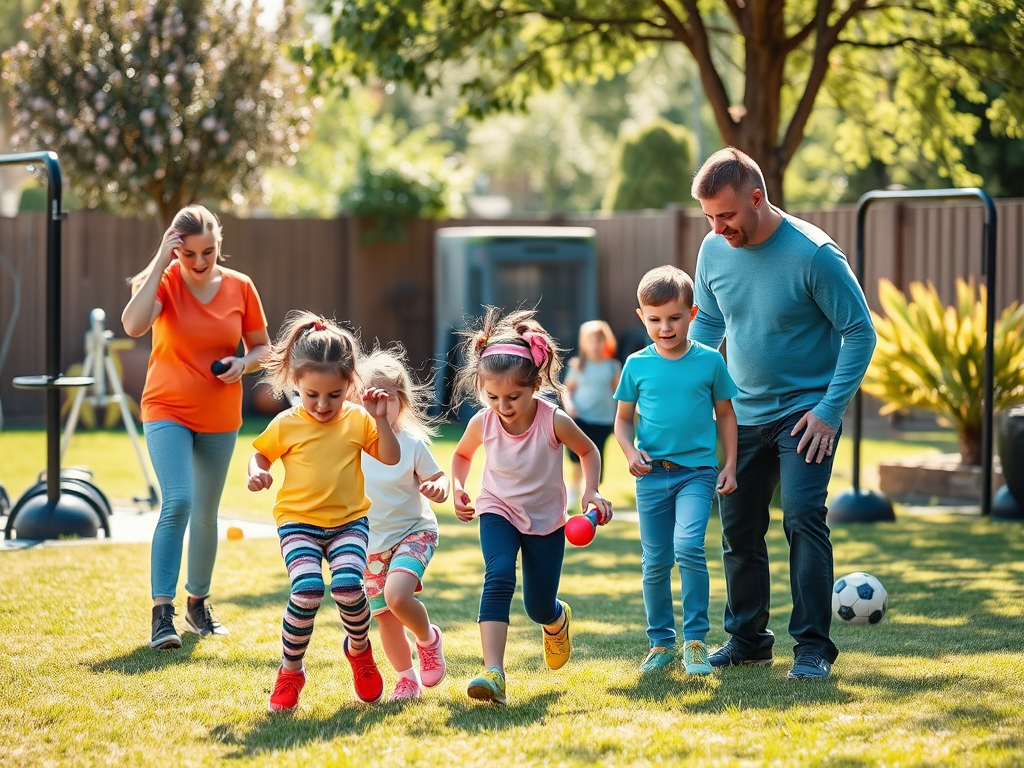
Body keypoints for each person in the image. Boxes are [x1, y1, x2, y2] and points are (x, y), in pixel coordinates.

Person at [688, 147, 876, 680]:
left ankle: (813, 647)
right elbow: (707, 329)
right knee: (738, 530)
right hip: (742, 414)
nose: (718, 227)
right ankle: (748, 640)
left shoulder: (814, 255)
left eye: (726, 215)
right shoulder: (712, 250)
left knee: (801, 517)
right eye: (709, 217)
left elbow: (861, 332)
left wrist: (829, 411)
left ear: (756, 198)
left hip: (804, 416)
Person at [121, 204, 270, 651]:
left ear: (219, 243)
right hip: (166, 407)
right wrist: (161, 263)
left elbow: (262, 347)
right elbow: (132, 325)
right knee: (179, 501)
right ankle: (161, 614)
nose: (200, 263)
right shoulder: (164, 281)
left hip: (220, 414)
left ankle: (197, 604)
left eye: (208, 251)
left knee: (206, 512)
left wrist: (243, 363)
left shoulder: (242, 287)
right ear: (175, 250)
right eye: (189, 255)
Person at [450, 307, 613, 705]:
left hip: (546, 521)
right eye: (492, 397)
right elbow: (462, 456)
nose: (502, 406)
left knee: (538, 604)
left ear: (535, 384)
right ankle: (494, 672)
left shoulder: (553, 419)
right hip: (497, 508)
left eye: (513, 396)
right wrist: (457, 486)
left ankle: (556, 620)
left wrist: (591, 491)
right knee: (499, 574)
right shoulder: (484, 422)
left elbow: (588, 451)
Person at [247, 311, 400, 713]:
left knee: (350, 586)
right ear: (296, 382)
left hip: (350, 523)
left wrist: (381, 421)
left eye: (334, 395)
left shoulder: (357, 419)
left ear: (349, 384)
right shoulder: (286, 423)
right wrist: (258, 473)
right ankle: (291, 671)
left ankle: (360, 651)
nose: (322, 404)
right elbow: (260, 455)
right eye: (312, 395)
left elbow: (389, 456)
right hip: (298, 524)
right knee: (308, 589)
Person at [613, 265, 738, 676]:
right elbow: (623, 420)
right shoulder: (635, 365)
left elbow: (726, 415)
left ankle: (696, 642)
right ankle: (661, 643)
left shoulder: (709, 362)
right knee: (655, 561)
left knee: (688, 547)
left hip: (697, 473)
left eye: (674, 317)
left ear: (693, 313)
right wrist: (629, 451)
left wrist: (731, 464)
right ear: (641, 317)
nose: (665, 327)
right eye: (655, 319)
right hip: (651, 476)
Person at [356, 344, 450, 702]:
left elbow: (438, 477)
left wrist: (437, 487)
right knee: (385, 618)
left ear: (401, 401)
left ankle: (427, 639)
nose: (376, 407)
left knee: (397, 597)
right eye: (367, 399)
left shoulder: (411, 443)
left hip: (414, 532)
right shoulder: (352, 444)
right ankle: (405, 678)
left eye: (385, 400)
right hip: (369, 545)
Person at [563, 320, 621, 509]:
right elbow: (567, 390)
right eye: (591, 341)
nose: (595, 345)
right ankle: (573, 491)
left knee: (596, 457)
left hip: (603, 420)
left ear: (607, 342)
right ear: (583, 343)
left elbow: (620, 395)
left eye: (599, 340)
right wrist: (569, 406)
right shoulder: (578, 366)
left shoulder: (612, 367)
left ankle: (593, 492)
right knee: (577, 457)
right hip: (581, 419)